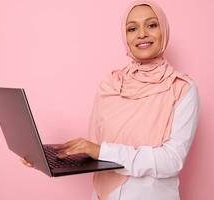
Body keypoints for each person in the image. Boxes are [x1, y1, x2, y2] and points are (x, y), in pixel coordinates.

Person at [22, 0, 199, 199]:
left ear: (164, 30)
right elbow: (96, 149)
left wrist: (102, 151)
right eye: (132, 28)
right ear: (125, 37)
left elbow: (172, 160)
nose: (142, 34)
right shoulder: (112, 83)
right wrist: (51, 158)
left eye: (151, 25)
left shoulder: (182, 88)